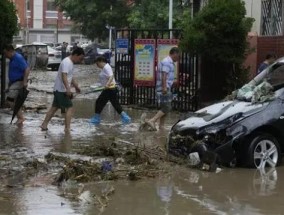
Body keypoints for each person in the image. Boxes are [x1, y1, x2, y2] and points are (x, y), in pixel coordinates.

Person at [40, 47, 85, 132]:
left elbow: (70, 77)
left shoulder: (70, 63)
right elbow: (64, 76)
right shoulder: (66, 62)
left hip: (59, 89)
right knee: (70, 108)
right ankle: (67, 128)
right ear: (75, 55)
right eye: (80, 58)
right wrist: (68, 89)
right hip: (61, 90)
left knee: (54, 108)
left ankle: (44, 125)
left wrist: (76, 87)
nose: (80, 60)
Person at [89, 56, 131, 125]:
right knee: (115, 104)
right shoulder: (105, 68)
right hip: (110, 89)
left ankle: (96, 118)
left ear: (101, 61)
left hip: (110, 89)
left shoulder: (106, 67)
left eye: (97, 64)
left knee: (99, 102)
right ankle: (126, 117)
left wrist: (107, 84)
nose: (97, 66)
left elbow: (111, 76)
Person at [146, 47, 180, 131]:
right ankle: (152, 120)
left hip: (165, 87)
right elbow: (164, 75)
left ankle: (161, 126)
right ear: (174, 53)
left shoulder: (170, 62)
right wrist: (164, 87)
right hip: (163, 88)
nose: (178, 58)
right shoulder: (167, 62)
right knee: (167, 107)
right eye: (178, 56)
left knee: (164, 108)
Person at [3, 44, 30, 125]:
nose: (5, 55)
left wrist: (24, 82)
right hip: (14, 83)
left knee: (10, 100)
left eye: (5, 53)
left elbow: (27, 69)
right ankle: (20, 118)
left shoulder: (18, 58)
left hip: (19, 82)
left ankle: (21, 118)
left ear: (10, 51)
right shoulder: (12, 59)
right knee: (12, 101)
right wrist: (9, 86)